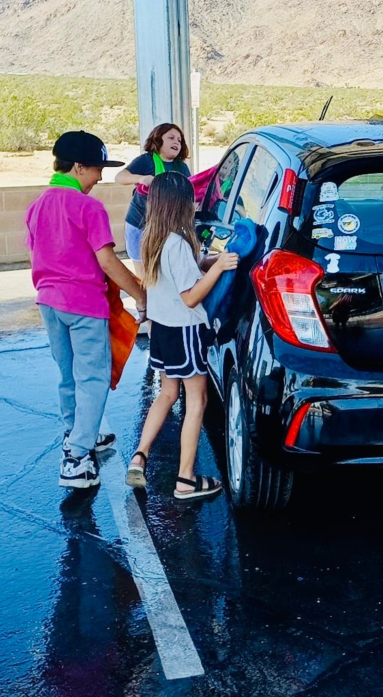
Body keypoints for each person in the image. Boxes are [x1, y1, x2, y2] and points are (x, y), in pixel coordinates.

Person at [25, 130, 147, 490]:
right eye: (96, 169)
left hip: (49, 303)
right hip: (85, 306)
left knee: (68, 375)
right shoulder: (87, 206)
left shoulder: (37, 205)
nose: (99, 177)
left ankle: (76, 435)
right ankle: (77, 459)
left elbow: (38, 254)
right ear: (78, 166)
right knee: (92, 378)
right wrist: (140, 294)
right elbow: (107, 261)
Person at [125, 172, 239, 500]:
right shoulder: (177, 242)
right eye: (192, 199)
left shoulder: (154, 236)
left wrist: (213, 260)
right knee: (197, 400)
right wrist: (217, 270)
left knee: (166, 394)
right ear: (180, 204)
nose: (196, 204)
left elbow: (187, 267)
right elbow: (190, 296)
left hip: (161, 329)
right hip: (185, 330)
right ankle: (186, 479)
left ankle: (140, 456)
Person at [115, 123, 191, 280]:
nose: (176, 142)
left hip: (168, 228)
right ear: (158, 140)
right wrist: (141, 178)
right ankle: (146, 303)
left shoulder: (181, 167)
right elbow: (120, 177)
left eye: (179, 139)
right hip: (140, 225)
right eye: (170, 138)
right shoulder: (146, 161)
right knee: (145, 277)